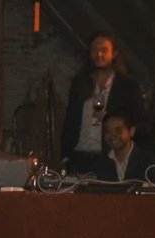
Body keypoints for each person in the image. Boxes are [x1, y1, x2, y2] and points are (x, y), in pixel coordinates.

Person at [60, 35, 142, 175]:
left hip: (109, 158)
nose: (99, 54)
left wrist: (109, 116)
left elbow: (137, 120)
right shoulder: (80, 84)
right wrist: (65, 156)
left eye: (104, 50)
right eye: (95, 50)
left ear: (114, 54)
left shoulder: (127, 87)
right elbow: (70, 122)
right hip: (79, 158)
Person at [82, 111, 143, 182]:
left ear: (132, 131)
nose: (112, 135)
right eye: (108, 131)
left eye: (118, 130)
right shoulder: (99, 163)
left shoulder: (148, 162)